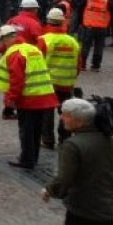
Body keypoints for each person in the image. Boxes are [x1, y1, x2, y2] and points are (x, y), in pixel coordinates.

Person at [41, 98, 113, 225]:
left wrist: (49, 191)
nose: (62, 119)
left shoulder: (73, 145)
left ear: (80, 121)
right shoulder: (109, 141)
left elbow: (64, 179)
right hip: (106, 207)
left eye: (66, 115)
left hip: (83, 208)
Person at [0, 24, 58, 169]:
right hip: (44, 94)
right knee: (36, 130)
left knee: (26, 131)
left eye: (2, 40)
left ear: (6, 39)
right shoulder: (32, 48)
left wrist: (11, 99)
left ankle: (26, 159)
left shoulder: (15, 53)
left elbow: (17, 80)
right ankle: (33, 157)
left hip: (29, 97)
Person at [38, 8, 81, 149]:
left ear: (48, 21)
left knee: (47, 112)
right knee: (66, 111)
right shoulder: (72, 41)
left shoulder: (44, 40)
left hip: (48, 83)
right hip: (67, 83)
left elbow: (37, 62)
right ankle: (64, 138)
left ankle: (47, 139)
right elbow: (79, 64)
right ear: (62, 22)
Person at [80, 0, 110, 71]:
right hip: (101, 27)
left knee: (86, 46)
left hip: (88, 26)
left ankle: (82, 64)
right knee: (99, 47)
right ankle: (96, 66)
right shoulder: (106, 1)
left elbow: (80, 9)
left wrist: (81, 22)